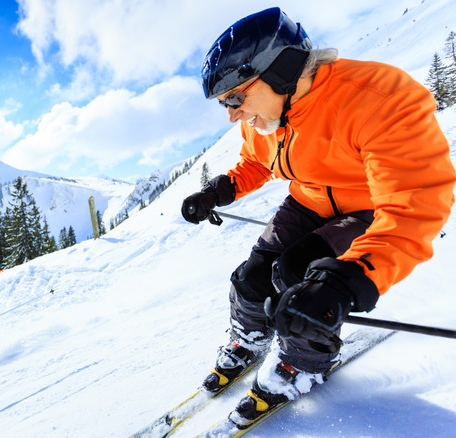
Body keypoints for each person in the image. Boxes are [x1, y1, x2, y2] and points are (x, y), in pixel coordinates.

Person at [181, 7, 455, 426]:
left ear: (282, 69)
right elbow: (257, 163)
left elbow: (414, 203)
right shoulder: (263, 118)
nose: (232, 114)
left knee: (300, 277)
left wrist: (347, 281)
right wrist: (216, 192)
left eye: (235, 98)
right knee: (252, 276)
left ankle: (301, 362)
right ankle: (249, 337)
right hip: (307, 200)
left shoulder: (377, 98)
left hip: (368, 207)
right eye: (225, 104)